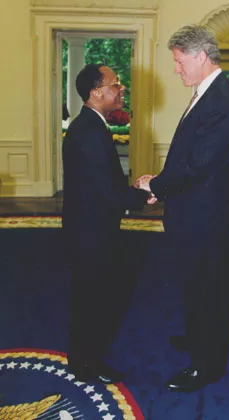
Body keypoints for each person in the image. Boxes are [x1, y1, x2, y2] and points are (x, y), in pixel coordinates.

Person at [137, 24, 229, 392]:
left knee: (206, 291)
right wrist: (162, 181)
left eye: (180, 61)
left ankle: (206, 366)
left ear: (201, 56)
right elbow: (187, 156)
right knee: (195, 287)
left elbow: (199, 164)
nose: (176, 69)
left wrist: (157, 186)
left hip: (204, 220)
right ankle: (198, 338)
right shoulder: (206, 93)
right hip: (192, 212)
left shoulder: (222, 101)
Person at [62, 63, 150, 384]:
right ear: (97, 92)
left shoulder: (89, 126)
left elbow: (102, 186)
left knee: (90, 299)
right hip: (91, 236)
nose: (121, 88)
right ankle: (86, 366)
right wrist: (142, 195)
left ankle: (83, 359)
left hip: (88, 230)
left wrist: (132, 192)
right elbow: (109, 193)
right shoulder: (90, 133)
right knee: (92, 302)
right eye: (116, 84)